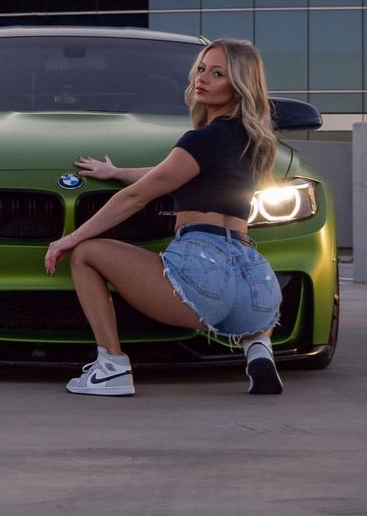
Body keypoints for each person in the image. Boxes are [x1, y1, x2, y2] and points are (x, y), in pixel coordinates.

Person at [44, 38, 284, 398]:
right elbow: (170, 172)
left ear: (238, 85)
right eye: (201, 69)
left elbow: (137, 197)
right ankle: (258, 350)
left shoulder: (202, 139)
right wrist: (118, 171)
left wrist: (70, 238)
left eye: (217, 74)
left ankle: (111, 367)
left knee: (87, 254)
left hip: (203, 269)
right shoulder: (254, 142)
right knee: (244, 305)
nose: (202, 79)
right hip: (256, 283)